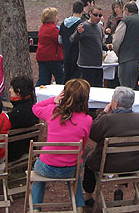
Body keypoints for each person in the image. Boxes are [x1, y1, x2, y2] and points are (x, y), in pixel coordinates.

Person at [31, 79, 93, 210]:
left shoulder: (53, 112)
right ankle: (79, 205)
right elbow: (83, 144)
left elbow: (35, 108)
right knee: (77, 166)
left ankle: (36, 207)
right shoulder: (87, 120)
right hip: (71, 168)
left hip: (47, 166)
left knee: (38, 172)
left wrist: (54, 100)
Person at [83, 87, 139, 208]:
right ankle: (120, 190)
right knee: (128, 155)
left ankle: (87, 196)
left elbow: (92, 133)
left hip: (107, 164)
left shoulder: (107, 119)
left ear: (115, 103)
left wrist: (104, 113)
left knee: (89, 162)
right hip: (133, 165)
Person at [113, 2, 139, 88]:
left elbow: (116, 42)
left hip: (127, 59)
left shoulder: (125, 21)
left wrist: (118, 53)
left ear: (126, 10)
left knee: (126, 89)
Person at [70, 6, 107, 87]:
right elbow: (72, 40)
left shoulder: (99, 28)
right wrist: (78, 33)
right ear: (90, 14)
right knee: (85, 89)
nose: (98, 17)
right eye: (95, 15)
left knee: (98, 89)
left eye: (100, 16)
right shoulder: (84, 26)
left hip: (98, 65)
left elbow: (99, 43)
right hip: (86, 66)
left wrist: (107, 46)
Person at [6, 75, 39, 161]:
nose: (9, 90)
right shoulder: (34, 108)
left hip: (13, 152)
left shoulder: (17, 114)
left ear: (18, 91)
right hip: (26, 147)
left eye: (12, 88)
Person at [35, 7, 64, 86]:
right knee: (61, 78)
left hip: (41, 56)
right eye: (56, 16)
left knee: (44, 79)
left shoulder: (43, 27)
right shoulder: (53, 28)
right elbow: (59, 41)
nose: (57, 18)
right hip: (52, 57)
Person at [61, 1, 84, 83]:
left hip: (66, 53)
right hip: (77, 55)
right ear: (82, 11)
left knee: (66, 78)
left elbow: (59, 40)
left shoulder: (63, 24)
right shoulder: (81, 25)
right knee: (76, 81)